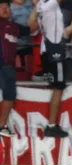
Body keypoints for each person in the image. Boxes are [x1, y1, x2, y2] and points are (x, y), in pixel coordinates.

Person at [35, 0, 70, 137]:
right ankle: (51, 125)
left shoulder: (40, 5)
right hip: (55, 51)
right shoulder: (51, 3)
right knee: (58, 87)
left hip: (46, 49)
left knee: (55, 86)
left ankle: (51, 123)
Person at [0, 0, 34, 136]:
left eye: (7, 6)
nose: (6, 9)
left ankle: (1, 126)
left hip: (8, 66)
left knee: (10, 96)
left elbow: (32, 28)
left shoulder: (14, 26)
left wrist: (38, 10)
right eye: (1, 7)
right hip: (5, 66)